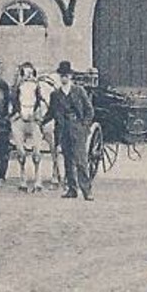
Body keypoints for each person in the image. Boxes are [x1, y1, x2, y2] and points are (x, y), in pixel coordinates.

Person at [47, 60, 95, 201]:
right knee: (68, 160)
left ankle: (87, 191)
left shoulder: (79, 91)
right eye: (61, 75)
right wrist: (40, 121)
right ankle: (72, 189)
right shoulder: (55, 94)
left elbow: (89, 110)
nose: (64, 78)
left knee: (81, 161)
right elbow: (51, 113)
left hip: (77, 128)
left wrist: (84, 126)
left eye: (66, 75)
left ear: (70, 77)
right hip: (63, 130)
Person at [8, 61, 50, 192]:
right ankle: (23, 179)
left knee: (36, 152)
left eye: (30, 72)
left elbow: (39, 99)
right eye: (24, 72)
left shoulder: (36, 85)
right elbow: (14, 99)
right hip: (21, 110)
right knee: (21, 151)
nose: (27, 74)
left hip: (33, 111)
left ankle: (38, 179)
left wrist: (39, 114)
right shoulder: (17, 87)